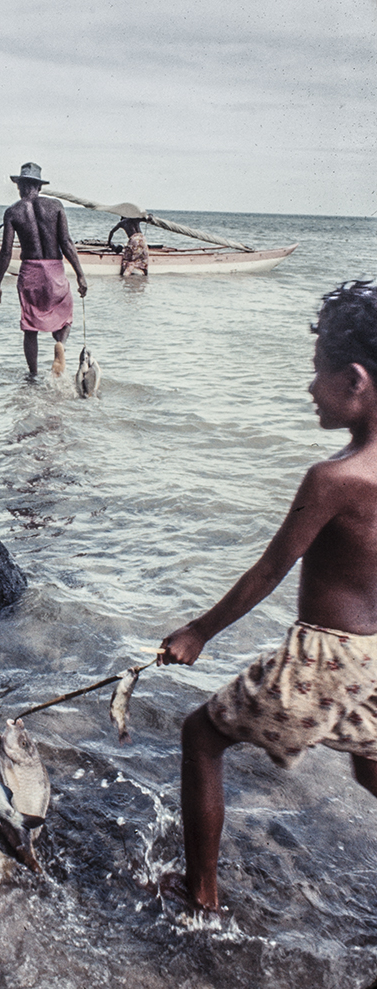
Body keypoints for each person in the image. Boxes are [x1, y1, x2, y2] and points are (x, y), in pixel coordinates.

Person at [157, 280, 377, 912]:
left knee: (201, 736)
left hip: (326, 661)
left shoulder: (333, 479)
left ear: (355, 381)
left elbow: (271, 569)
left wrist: (198, 631)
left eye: (318, 374)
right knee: (369, 763)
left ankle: (201, 895)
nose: (310, 388)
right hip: (374, 657)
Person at [0, 162, 87, 376]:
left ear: (20, 186)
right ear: (39, 186)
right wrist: (80, 275)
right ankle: (60, 344)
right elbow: (67, 242)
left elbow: (6, 251)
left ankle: (33, 375)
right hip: (54, 270)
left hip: (30, 272)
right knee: (65, 316)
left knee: (30, 326)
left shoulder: (13, 212)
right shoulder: (56, 206)